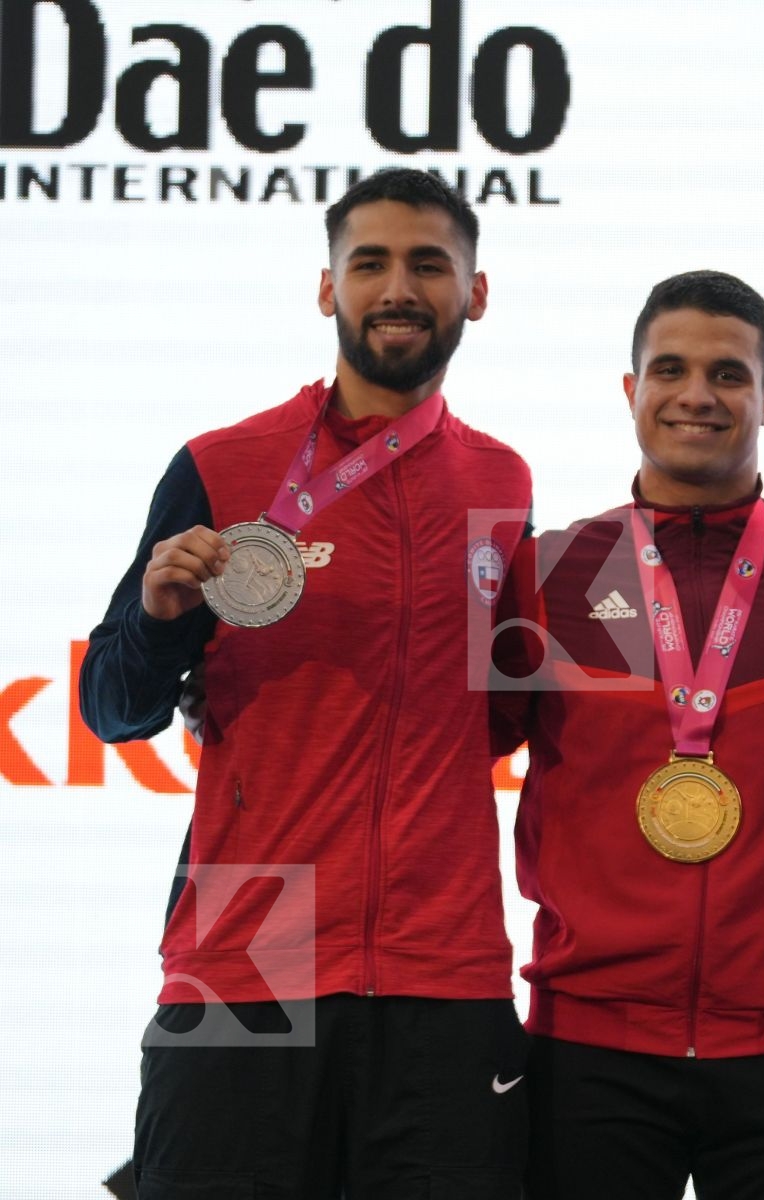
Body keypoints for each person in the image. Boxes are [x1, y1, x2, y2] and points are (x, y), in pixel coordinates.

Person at [78, 168, 533, 1197]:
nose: (398, 288)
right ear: (327, 289)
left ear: (477, 291)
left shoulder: (505, 482)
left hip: (444, 970)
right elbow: (111, 707)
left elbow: (500, 715)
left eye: (429, 263)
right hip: (250, 954)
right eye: (368, 263)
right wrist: (156, 623)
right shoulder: (222, 464)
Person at [490, 270, 764, 1199]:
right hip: (589, 1044)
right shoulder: (547, 573)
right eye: (670, 369)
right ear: (631, 391)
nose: (697, 394)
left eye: (729, 374)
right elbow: (444, 751)